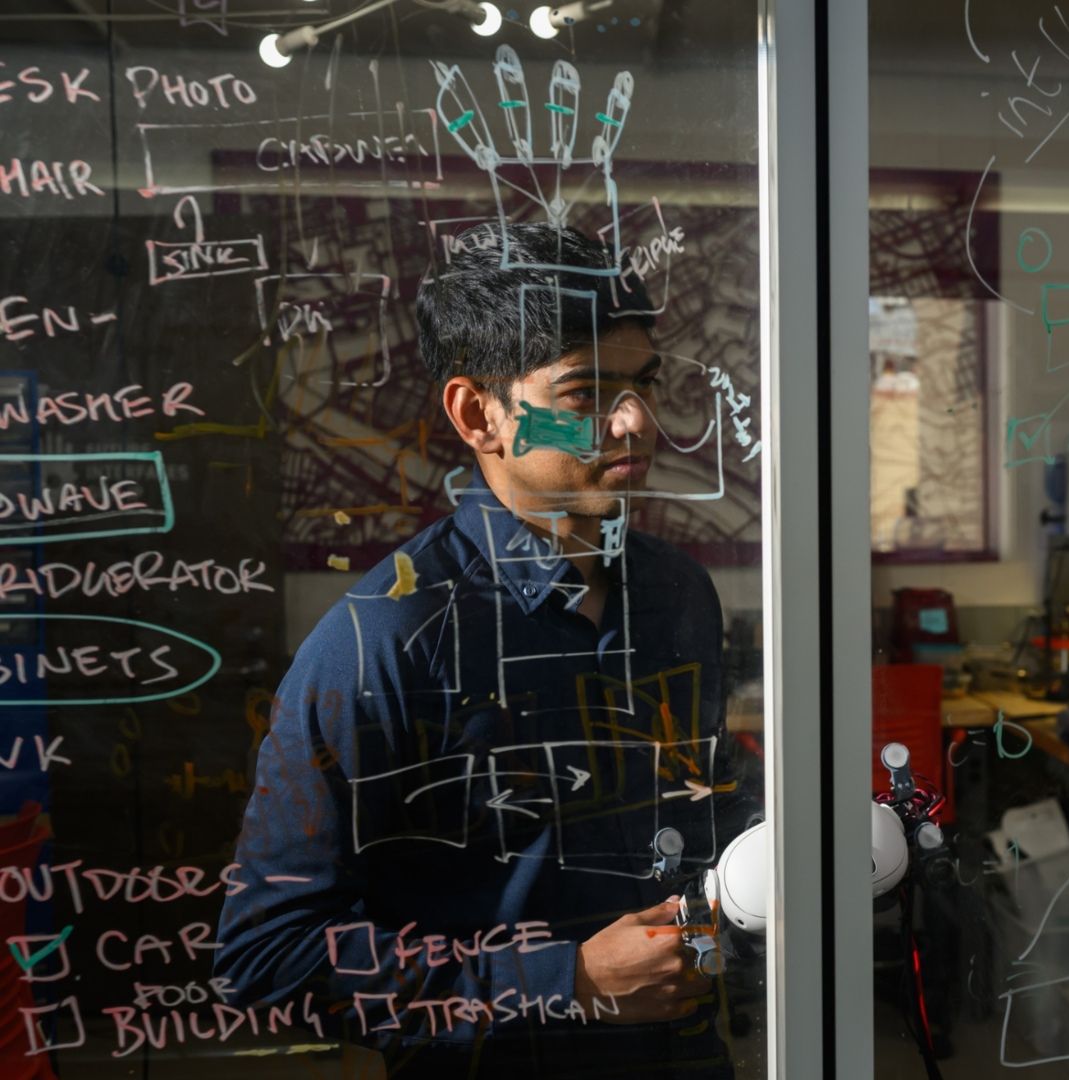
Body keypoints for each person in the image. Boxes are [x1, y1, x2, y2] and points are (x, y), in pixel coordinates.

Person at [217, 223, 744, 1078]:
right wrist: (564, 981)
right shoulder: (383, 638)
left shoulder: (677, 593)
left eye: (644, 383)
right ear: (477, 415)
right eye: (586, 394)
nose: (637, 421)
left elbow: (701, 806)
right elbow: (266, 956)